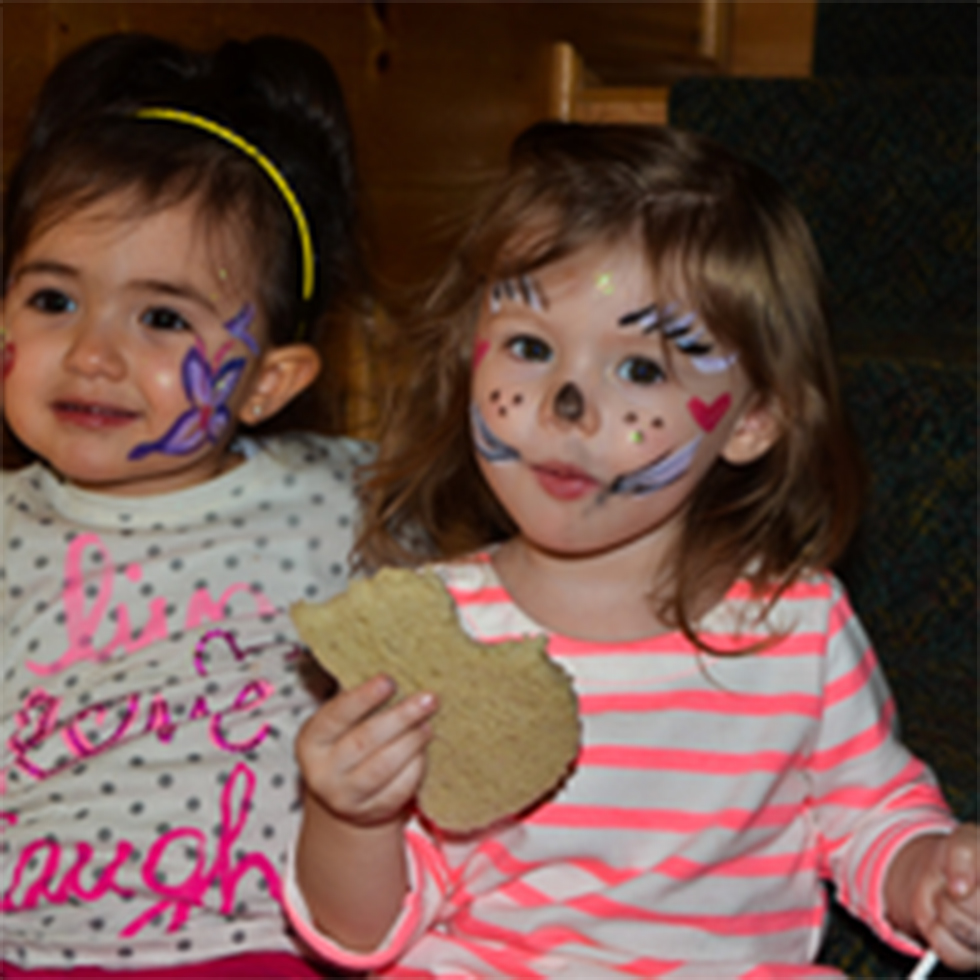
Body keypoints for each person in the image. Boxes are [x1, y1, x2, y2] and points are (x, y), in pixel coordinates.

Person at [287, 122, 980, 978]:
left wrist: (930, 878)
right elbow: (360, 931)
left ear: (754, 418)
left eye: (643, 369)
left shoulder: (797, 628)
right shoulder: (434, 632)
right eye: (530, 348)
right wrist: (350, 817)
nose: (566, 405)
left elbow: (871, 815)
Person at [1, 31, 374, 977]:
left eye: (163, 318)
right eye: (52, 301)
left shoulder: (353, 501)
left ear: (269, 382)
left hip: (256, 948)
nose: (92, 354)